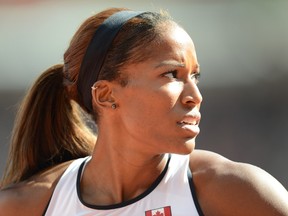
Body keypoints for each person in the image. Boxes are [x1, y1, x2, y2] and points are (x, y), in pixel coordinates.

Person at [0, 7, 288, 216]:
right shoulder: (26, 206)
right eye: (172, 75)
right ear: (105, 94)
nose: (195, 96)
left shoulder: (235, 190)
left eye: (194, 76)